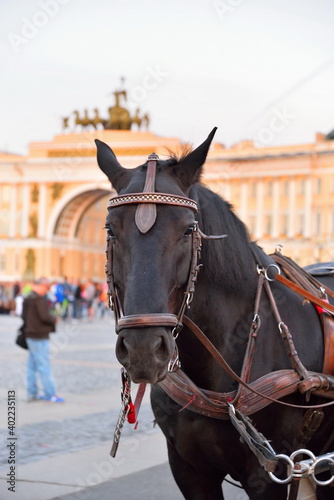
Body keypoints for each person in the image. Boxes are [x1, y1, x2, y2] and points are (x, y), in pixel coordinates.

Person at [22, 277, 64, 403]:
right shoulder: (39, 299)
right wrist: (54, 319)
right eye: (46, 287)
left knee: (32, 366)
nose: (47, 290)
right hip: (39, 335)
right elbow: (45, 317)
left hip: (30, 334)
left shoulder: (28, 297)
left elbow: (23, 316)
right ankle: (50, 393)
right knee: (44, 366)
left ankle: (32, 393)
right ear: (40, 286)